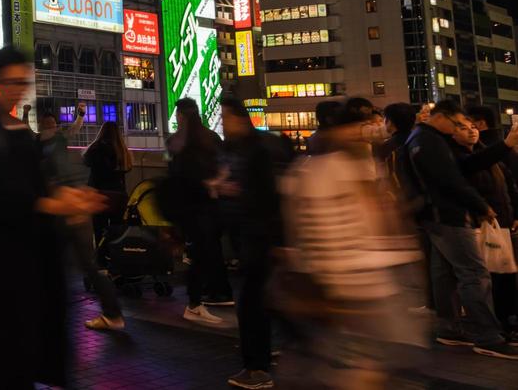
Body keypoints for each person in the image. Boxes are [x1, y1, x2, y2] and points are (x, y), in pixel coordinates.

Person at [0, 47, 105, 389]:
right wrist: (47, 205)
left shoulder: (21, 132)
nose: (18, 88)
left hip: (30, 264)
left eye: (23, 81)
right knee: (9, 360)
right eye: (11, 81)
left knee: (26, 354)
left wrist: (68, 197)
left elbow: (36, 187)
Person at [283, 100, 427, 384]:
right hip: (354, 284)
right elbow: (314, 232)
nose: (369, 130)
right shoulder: (324, 171)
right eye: (362, 125)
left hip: (369, 282)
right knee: (369, 365)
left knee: (370, 362)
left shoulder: (353, 167)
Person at [407, 98, 518, 358]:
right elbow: (451, 179)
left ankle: (449, 329)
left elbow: (459, 170)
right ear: (443, 117)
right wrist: (481, 205)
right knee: (475, 274)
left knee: (444, 274)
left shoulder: (423, 138)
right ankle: (487, 337)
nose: (461, 129)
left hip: (435, 215)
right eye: (457, 124)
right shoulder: (429, 140)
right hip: (448, 214)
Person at [219, 96, 294, 389]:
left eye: (225, 119)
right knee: (270, 298)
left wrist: (231, 190)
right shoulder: (256, 145)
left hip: (259, 236)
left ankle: (257, 369)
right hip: (259, 235)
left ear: (238, 118)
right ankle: (287, 346)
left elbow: (266, 195)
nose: (224, 125)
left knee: (253, 302)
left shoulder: (257, 150)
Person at [40, 105, 123, 333]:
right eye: (47, 123)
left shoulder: (43, 144)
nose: (49, 126)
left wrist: (81, 115)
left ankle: (54, 315)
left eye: (51, 123)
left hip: (65, 207)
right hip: (77, 204)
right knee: (87, 264)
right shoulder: (55, 142)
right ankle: (112, 312)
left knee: (63, 264)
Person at [166, 98, 234, 324]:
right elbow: (222, 166)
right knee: (205, 251)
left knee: (200, 252)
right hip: (209, 204)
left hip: (190, 206)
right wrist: (215, 183)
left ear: (182, 116)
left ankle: (197, 301)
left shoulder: (179, 142)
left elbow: (177, 176)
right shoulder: (210, 138)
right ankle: (203, 298)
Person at [457, 107, 518, 339]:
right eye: (463, 127)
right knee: (489, 276)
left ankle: (508, 320)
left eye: (472, 126)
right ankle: (494, 325)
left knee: (505, 273)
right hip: (479, 226)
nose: (471, 130)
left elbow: (509, 186)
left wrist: (515, 214)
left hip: (502, 223)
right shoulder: (463, 159)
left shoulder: (488, 154)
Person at [83, 119, 131, 244]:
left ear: (102, 132)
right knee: (117, 230)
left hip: (99, 193)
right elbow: (127, 168)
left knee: (99, 229)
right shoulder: (122, 150)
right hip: (118, 195)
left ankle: (101, 257)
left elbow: (86, 161)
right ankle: (116, 256)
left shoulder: (96, 148)